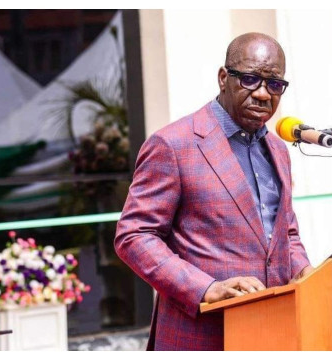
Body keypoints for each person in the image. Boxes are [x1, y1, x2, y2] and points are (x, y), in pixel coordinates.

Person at [114, 32, 314, 351]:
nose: (263, 94)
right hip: (202, 336)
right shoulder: (173, 144)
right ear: (223, 78)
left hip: (273, 333)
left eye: (275, 84)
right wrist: (207, 289)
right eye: (250, 79)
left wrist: (304, 271)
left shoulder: (278, 150)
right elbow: (134, 236)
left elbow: (284, 233)